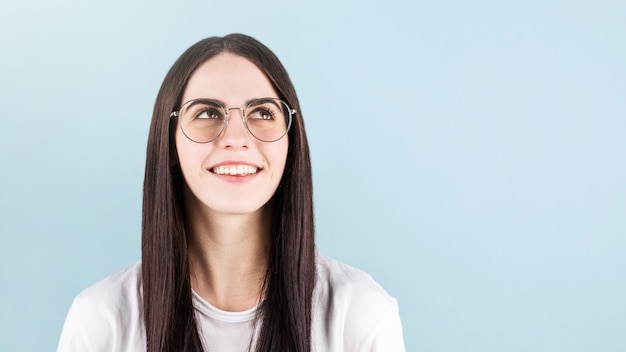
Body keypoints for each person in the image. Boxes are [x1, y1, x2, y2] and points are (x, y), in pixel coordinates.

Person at [57, 33, 405, 352]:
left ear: (291, 142)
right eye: (207, 112)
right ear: (170, 144)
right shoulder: (99, 322)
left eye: (262, 113)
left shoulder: (362, 314)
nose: (236, 137)